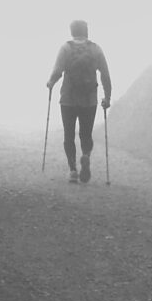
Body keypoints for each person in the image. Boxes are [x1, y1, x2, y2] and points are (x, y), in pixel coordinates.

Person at [46, 20, 113, 185]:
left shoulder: (66, 48)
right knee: (86, 134)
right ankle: (86, 156)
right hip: (89, 100)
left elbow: (57, 71)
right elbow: (105, 74)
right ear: (86, 31)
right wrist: (107, 97)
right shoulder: (96, 49)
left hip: (68, 99)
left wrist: (50, 83)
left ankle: (73, 171)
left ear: (72, 32)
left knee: (69, 135)